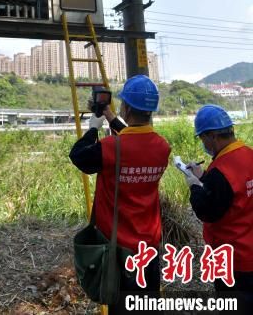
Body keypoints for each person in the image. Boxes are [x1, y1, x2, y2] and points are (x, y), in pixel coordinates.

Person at [69, 75, 171, 313]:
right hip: (150, 248)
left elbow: (79, 156)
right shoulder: (162, 147)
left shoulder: (110, 148)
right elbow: (136, 141)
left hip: (120, 252)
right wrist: (110, 118)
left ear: (126, 106)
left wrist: (92, 129)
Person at [184, 104, 253, 313]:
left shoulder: (221, 169)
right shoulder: (248, 155)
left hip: (232, 259)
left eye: (202, 138)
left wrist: (195, 186)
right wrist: (204, 177)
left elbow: (208, 211)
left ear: (212, 136)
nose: (203, 143)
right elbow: (232, 193)